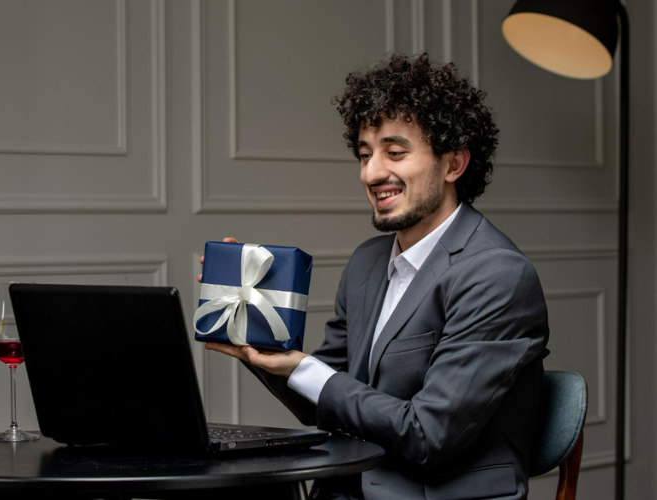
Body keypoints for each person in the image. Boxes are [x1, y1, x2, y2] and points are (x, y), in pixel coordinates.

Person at [203, 53, 549, 500]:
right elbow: (325, 400)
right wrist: (254, 341)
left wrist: (305, 369)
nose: (371, 173)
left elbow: (427, 436)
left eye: (395, 153)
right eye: (365, 154)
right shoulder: (367, 262)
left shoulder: (498, 274)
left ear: (454, 164)